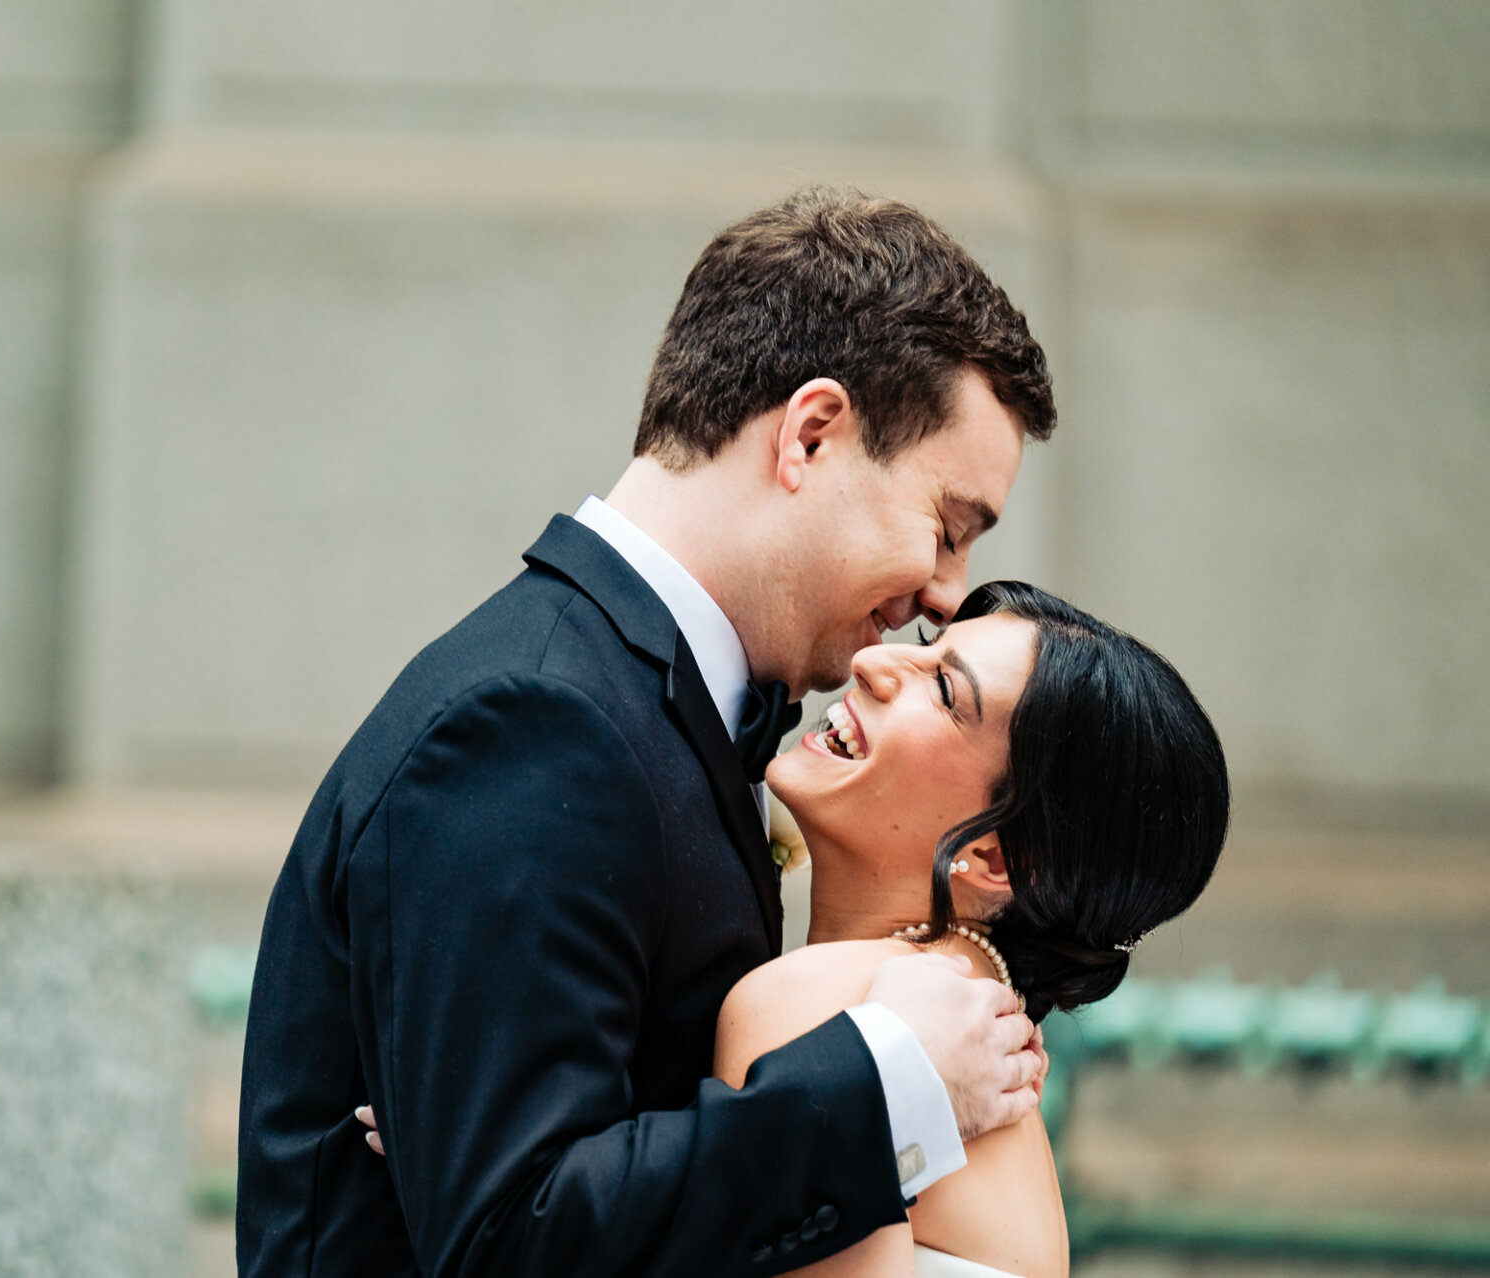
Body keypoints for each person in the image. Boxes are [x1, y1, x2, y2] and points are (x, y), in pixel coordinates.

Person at [239, 188, 1058, 1275]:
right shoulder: (531, 724)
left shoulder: (665, 708)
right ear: (810, 434)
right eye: (947, 527)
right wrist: (888, 1080)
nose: (950, 592)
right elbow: (507, 1243)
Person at [717, 581, 1230, 1276]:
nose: (875, 663)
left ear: (995, 855)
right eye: (930, 649)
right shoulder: (961, 1033)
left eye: (946, 692)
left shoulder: (822, 1017)